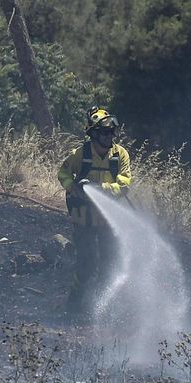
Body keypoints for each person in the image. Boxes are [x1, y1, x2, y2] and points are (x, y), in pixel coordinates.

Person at [56, 108, 132, 308]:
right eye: (104, 133)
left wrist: (102, 189)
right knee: (86, 264)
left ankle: (100, 304)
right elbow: (62, 174)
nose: (109, 137)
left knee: (109, 264)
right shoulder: (80, 154)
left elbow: (124, 184)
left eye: (110, 133)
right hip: (84, 219)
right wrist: (73, 187)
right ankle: (75, 300)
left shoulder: (120, 155)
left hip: (108, 220)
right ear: (93, 134)